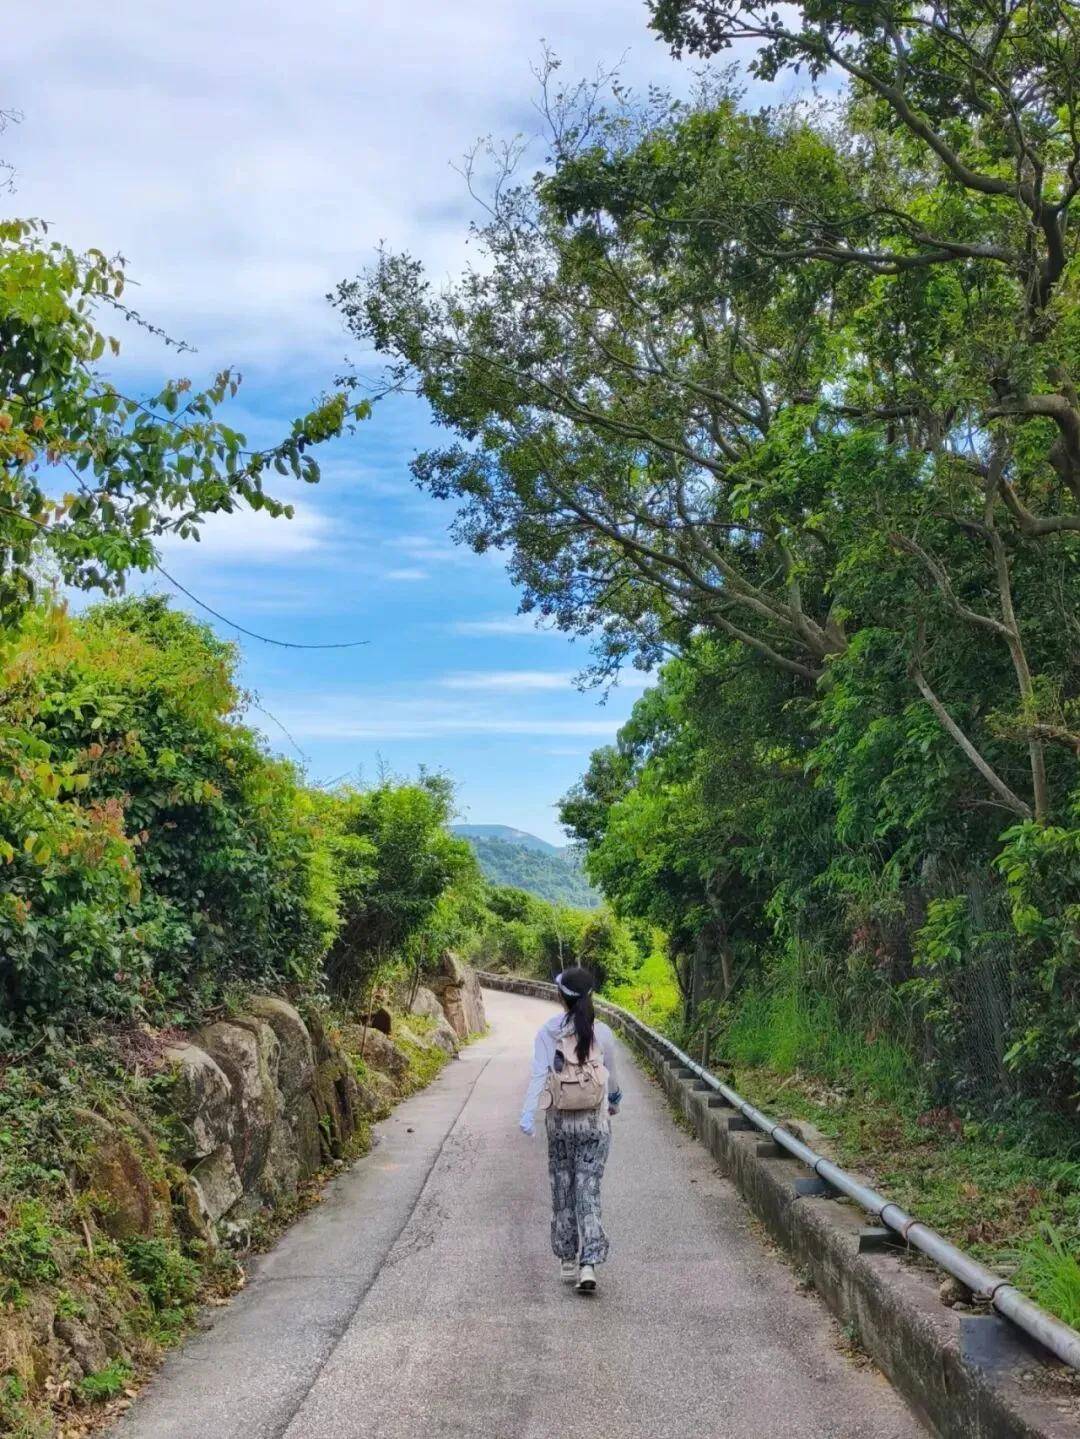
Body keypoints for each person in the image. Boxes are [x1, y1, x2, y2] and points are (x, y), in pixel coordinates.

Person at [519, 965, 622, 1294]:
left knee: (563, 1187)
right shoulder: (602, 1032)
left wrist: (527, 1114)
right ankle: (588, 1264)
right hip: (594, 1123)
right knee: (588, 1192)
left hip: (560, 1123)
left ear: (560, 997)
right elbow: (614, 1082)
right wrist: (614, 1102)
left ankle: (566, 1256)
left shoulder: (548, 1031)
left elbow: (538, 1076)